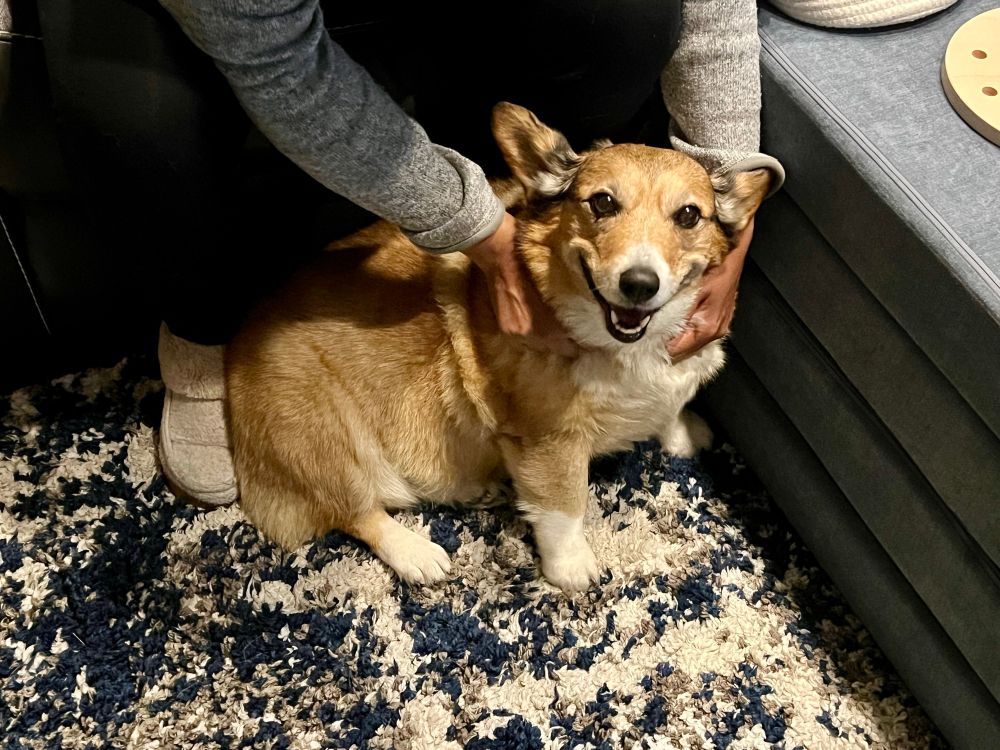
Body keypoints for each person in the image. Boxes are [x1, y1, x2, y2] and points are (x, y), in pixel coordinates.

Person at [144, 0, 786, 505]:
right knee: (142, 115)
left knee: (621, 16)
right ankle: (203, 340)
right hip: (241, 29)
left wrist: (730, 197)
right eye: (605, 205)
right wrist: (483, 236)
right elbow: (274, 60)